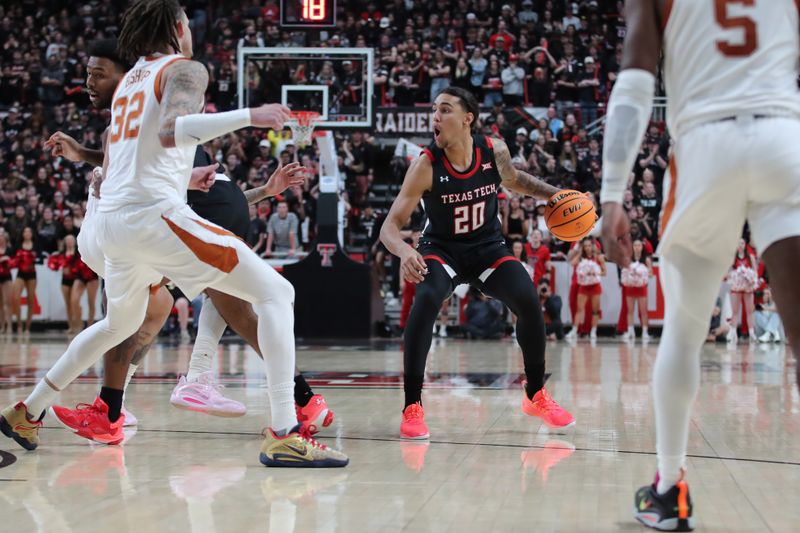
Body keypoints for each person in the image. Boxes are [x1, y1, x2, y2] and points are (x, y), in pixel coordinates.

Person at [0, 0, 346, 468]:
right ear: (179, 27)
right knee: (277, 293)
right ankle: (285, 431)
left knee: (118, 324)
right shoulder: (183, 68)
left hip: (111, 226)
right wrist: (252, 115)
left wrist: (184, 177)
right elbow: (171, 132)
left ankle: (29, 410)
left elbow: (133, 156)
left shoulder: (128, 84)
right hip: (152, 219)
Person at [600, 0, 800, 528]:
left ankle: (669, 490)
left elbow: (637, 81)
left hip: (705, 146)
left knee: (684, 334)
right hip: (786, 136)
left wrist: (613, 192)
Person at [380, 86, 574, 440]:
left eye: (445, 110)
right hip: (441, 248)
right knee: (425, 300)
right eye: (434, 110)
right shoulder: (425, 165)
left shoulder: (493, 149)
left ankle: (535, 393)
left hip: (488, 246)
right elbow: (389, 227)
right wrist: (406, 252)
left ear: (468, 118)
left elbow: (514, 180)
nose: (435, 117)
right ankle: (412, 405)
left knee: (528, 300)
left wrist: (556, 195)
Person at [566, 237, 606, 341]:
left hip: (595, 285)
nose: (587, 248)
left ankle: (593, 331)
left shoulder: (598, 257)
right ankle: (574, 330)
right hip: (584, 286)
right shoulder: (581, 257)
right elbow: (571, 263)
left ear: (593, 246)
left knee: (595, 310)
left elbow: (604, 272)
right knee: (579, 309)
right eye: (585, 246)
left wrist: (595, 273)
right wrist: (579, 252)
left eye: (589, 245)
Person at [725, 238, 758, 344]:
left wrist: (749, 277)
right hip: (736, 287)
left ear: (745, 245)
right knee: (735, 311)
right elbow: (727, 274)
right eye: (738, 243)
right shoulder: (732, 259)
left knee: (749, 311)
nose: (740, 245)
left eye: (742, 243)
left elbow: (755, 273)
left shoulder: (750, 257)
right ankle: (732, 332)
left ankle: (752, 333)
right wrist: (737, 274)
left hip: (747, 287)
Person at [620, 238, 652, 341]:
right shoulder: (628, 259)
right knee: (630, 310)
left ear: (642, 247)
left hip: (641, 288)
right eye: (635, 245)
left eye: (639, 245)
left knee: (643, 311)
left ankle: (645, 332)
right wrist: (630, 276)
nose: (637, 247)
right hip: (630, 287)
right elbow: (624, 272)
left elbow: (651, 274)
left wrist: (641, 274)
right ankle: (630, 331)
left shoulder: (646, 259)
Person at [11, 227, 38, 334]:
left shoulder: (36, 245)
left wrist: (35, 258)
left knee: (30, 300)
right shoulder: (18, 245)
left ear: (32, 234)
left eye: (29, 231)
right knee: (15, 298)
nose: (27, 233)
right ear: (22, 234)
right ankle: (18, 324)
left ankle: (27, 327)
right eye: (25, 231)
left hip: (32, 274)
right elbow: (13, 258)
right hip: (20, 274)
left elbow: (40, 257)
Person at [0, 233, 12, 333]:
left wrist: (8, 260)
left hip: (7, 277)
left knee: (7, 302)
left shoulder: (9, 250)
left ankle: (9, 326)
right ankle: (2, 326)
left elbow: (14, 261)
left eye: (2, 238)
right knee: (0, 304)